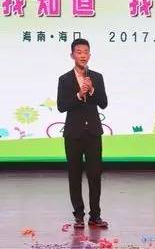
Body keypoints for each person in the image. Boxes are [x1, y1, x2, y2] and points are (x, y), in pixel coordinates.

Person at [57, 38, 109, 229]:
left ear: (90, 55)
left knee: (95, 175)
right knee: (75, 175)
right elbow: (61, 106)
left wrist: (92, 90)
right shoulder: (64, 79)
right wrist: (79, 95)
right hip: (73, 134)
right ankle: (78, 215)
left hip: (93, 132)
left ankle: (95, 215)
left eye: (86, 52)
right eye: (79, 52)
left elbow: (104, 103)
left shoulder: (97, 77)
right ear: (72, 55)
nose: (83, 55)